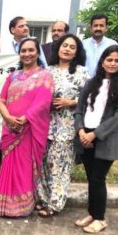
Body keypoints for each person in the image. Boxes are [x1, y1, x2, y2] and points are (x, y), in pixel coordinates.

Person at [0, 38, 53, 217]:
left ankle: (22, 206)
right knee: (9, 165)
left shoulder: (45, 76)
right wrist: (8, 117)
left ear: (37, 52)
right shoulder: (12, 76)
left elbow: (44, 101)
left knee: (24, 167)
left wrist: (25, 118)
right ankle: (5, 205)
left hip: (29, 129)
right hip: (11, 128)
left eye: (30, 50)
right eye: (23, 51)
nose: (27, 54)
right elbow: (1, 100)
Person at [74, 45, 118, 233]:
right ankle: (92, 213)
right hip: (86, 134)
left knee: (98, 177)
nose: (112, 63)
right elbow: (80, 108)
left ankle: (100, 218)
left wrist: (95, 134)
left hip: (106, 137)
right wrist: (81, 129)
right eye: (109, 59)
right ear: (102, 61)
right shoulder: (91, 83)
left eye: (117, 60)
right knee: (91, 177)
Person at [37, 34, 89, 217]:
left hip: (67, 127)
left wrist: (70, 102)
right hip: (45, 125)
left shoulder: (82, 72)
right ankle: (43, 199)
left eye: (72, 47)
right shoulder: (47, 71)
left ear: (76, 52)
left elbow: (89, 99)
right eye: (64, 45)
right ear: (58, 48)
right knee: (43, 164)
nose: (67, 49)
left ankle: (56, 203)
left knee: (60, 166)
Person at [83, 14, 118, 78]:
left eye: (101, 26)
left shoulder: (113, 45)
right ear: (90, 28)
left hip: (105, 84)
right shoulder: (83, 44)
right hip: (84, 83)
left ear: (106, 28)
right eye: (95, 26)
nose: (98, 28)